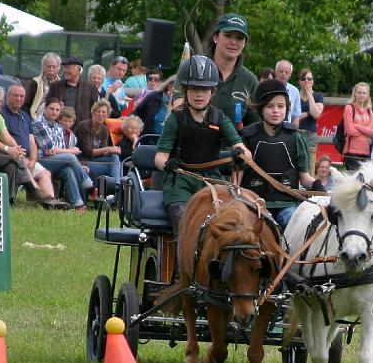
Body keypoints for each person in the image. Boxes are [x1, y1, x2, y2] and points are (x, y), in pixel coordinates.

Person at [154, 55, 250, 237]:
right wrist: (168, 165)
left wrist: (240, 153)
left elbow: (244, 150)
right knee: (185, 225)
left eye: (204, 90)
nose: (199, 94)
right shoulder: (176, 118)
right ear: (184, 90)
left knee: (224, 226)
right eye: (194, 89)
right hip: (179, 183)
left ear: (213, 92)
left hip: (210, 182)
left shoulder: (219, 118)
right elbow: (159, 158)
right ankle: (181, 265)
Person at [240, 79, 318, 230]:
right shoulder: (247, 137)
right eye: (270, 106)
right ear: (260, 109)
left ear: (287, 108)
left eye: (281, 106)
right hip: (254, 204)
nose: (276, 110)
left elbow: (305, 178)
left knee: (301, 230)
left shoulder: (296, 138)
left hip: (288, 205)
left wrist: (317, 185)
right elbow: (237, 179)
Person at [0, 86, 52, 206]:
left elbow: (6, 137)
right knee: (14, 158)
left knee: (12, 166)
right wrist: (7, 149)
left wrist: (17, 149)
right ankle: (32, 189)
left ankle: (9, 201)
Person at [0, 85, 66, 208]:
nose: (19, 99)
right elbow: (5, 139)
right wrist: (22, 157)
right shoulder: (1, 115)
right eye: (16, 95)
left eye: (22, 96)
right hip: (13, 157)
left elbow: (32, 141)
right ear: (7, 96)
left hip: (29, 158)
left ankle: (51, 202)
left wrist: (34, 159)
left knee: (45, 173)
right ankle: (38, 195)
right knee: (24, 167)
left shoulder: (25, 116)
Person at [32, 97, 94, 210]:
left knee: (68, 171)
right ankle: (88, 184)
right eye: (51, 109)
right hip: (41, 162)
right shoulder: (38, 123)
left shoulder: (57, 127)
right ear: (45, 108)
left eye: (57, 110)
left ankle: (78, 205)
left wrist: (56, 150)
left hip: (55, 160)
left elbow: (57, 149)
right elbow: (50, 147)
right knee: (70, 157)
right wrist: (69, 151)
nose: (54, 112)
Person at [205, 13, 259, 128]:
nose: (233, 42)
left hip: (233, 145)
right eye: (228, 35)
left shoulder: (249, 80)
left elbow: (256, 126)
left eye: (239, 38)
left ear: (244, 43)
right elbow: (177, 107)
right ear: (215, 37)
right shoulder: (194, 68)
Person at [75, 99, 121, 183]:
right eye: (98, 111)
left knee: (114, 157)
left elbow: (102, 150)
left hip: (95, 160)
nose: (101, 114)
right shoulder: (84, 126)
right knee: (112, 168)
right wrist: (109, 149)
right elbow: (87, 151)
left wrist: (112, 150)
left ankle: (115, 188)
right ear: (93, 113)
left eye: (104, 112)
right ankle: (116, 189)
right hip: (82, 161)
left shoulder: (105, 129)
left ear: (107, 115)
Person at [45, 56, 98, 124]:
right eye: (64, 68)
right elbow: (47, 105)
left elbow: (95, 110)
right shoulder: (55, 86)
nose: (65, 70)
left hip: (81, 130)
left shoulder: (90, 88)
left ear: (79, 70)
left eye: (68, 68)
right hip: (59, 128)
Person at [342, 82, 373, 171]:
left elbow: (372, 132)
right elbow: (350, 131)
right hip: (351, 152)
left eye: (364, 93)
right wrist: (365, 130)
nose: (361, 95)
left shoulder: (369, 111)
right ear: (355, 94)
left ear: (368, 95)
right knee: (355, 181)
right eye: (359, 92)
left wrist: (356, 125)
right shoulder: (349, 108)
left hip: (366, 152)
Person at [131, 68, 169, 144]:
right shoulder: (151, 96)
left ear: (161, 82)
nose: (153, 82)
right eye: (150, 79)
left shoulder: (178, 100)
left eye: (156, 79)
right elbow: (136, 112)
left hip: (166, 139)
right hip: (148, 136)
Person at [24, 52, 61, 119]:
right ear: (43, 67)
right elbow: (26, 105)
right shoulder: (35, 83)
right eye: (49, 66)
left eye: (54, 67)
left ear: (58, 68)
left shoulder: (62, 85)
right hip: (35, 119)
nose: (51, 69)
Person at [297, 68, 323, 156]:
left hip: (310, 134)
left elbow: (316, 114)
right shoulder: (295, 94)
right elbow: (293, 115)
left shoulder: (318, 96)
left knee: (310, 163)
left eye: (309, 79)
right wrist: (308, 113)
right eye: (303, 79)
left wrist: (309, 95)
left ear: (313, 81)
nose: (306, 81)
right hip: (296, 132)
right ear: (299, 82)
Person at [274, 60, 302, 126]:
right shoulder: (266, 87)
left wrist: (293, 133)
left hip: (286, 130)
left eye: (286, 72)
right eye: (281, 71)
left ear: (290, 74)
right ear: (276, 72)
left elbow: (296, 116)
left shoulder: (295, 91)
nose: (283, 74)